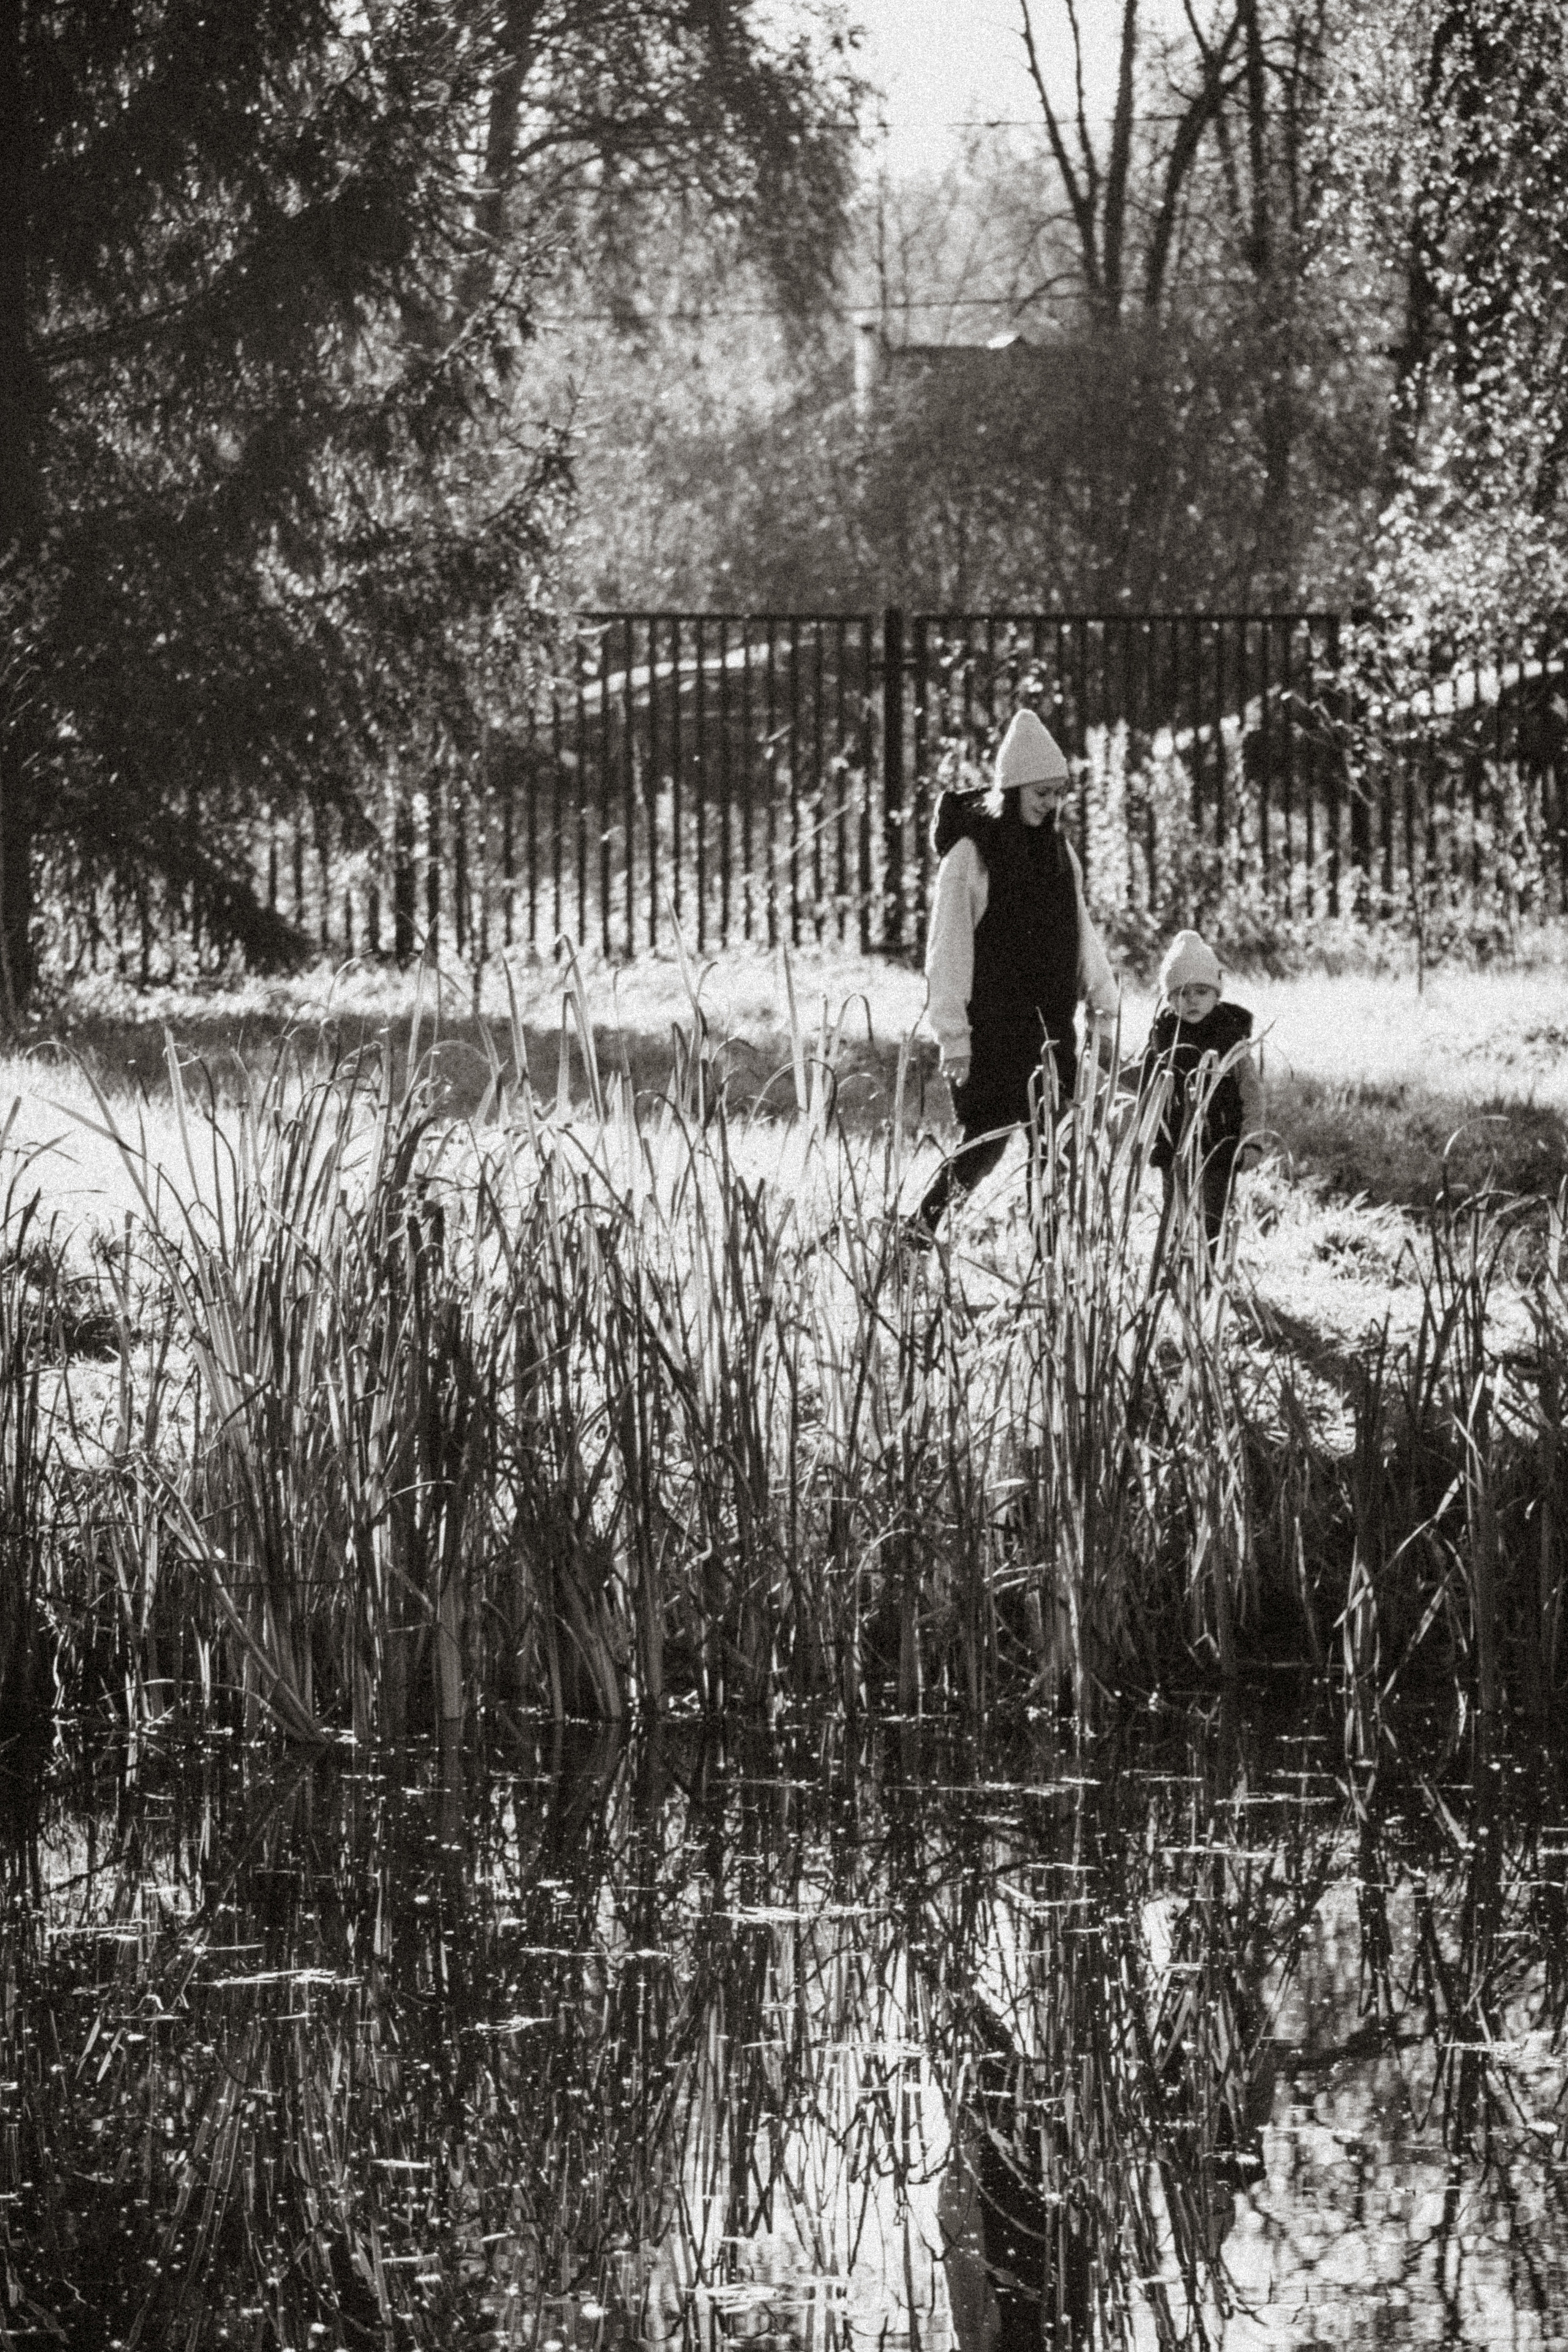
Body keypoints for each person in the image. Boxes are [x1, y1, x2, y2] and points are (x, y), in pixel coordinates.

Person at [910, 707, 1119, 1244]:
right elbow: (948, 949)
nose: (1051, 804)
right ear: (1014, 787)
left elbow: (1081, 927)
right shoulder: (970, 856)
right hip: (992, 1030)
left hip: (1051, 1026)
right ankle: (917, 1234)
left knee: (1057, 1145)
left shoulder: (1058, 850)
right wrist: (953, 1036)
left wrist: (1103, 998)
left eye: (1058, 793)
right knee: (986, 1142)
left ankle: (1052, 1259)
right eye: (1041, 793)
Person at [1138, 929, 1264, 1260]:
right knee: (1175, 1211)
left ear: (1216, 994)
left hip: (1219, 1143)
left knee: (1212, 1215)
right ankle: (1176, 1270)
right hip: (1174, 1144)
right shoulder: (1163, 1037)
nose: (1191, 1000)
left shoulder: (1230, 1038)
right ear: (1168, 998)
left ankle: (1210, 1277)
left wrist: (1252, 1140)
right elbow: (1146, 1091)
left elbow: (1251, 1091)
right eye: (1181, 992)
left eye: (1201, 991)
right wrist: (1142, 1138)